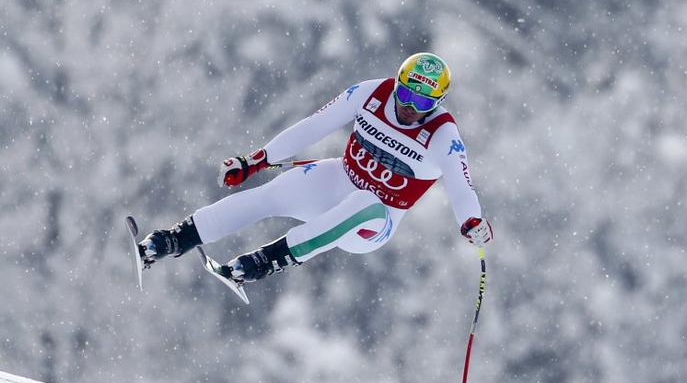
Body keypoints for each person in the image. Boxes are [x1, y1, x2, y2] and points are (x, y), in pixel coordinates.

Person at [136, 52, 492, 286]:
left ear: (438, 102)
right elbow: (314, 126)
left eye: (423, 102)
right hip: (338, 179)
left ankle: (265, 261)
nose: (410, 107)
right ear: (397, 84)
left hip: (374, 221)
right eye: (406, 94)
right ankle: (171, 240)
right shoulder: (372, 93)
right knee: (274, 193)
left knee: (365, 202)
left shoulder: (443, 135)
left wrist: (472, 223)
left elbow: (462, 187)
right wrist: (257, 160)